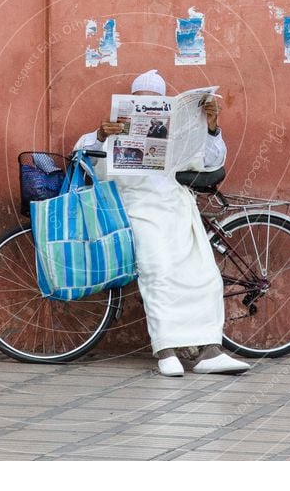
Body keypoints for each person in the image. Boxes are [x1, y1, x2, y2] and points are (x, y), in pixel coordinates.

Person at [75, 69, 249, 376]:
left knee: (205, 273)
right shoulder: (108, 131)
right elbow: (83, 159)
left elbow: (210, 161)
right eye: (140, 101)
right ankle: (166, 350)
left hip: (177, 205)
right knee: (159, 271)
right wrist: (102, 135)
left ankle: (210, 350)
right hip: (138, 206)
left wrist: (211, 127)